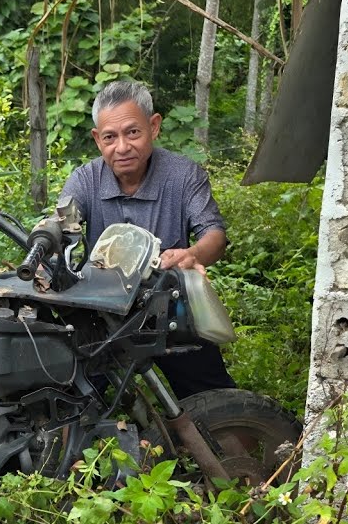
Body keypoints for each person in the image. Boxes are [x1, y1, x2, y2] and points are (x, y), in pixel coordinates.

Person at [59, 80, 236, 399]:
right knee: (75, 399)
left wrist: (192, 254)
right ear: (97, 139)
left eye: (132, 132)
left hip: (169, 310)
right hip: (101, 314)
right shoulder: (85, 180)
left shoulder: (184, 175)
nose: (122, 147)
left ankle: (229, 431)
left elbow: (214, 234)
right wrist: (50, 243)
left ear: (153, 127)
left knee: (215, 399)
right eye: (110, 137)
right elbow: (61, 224)